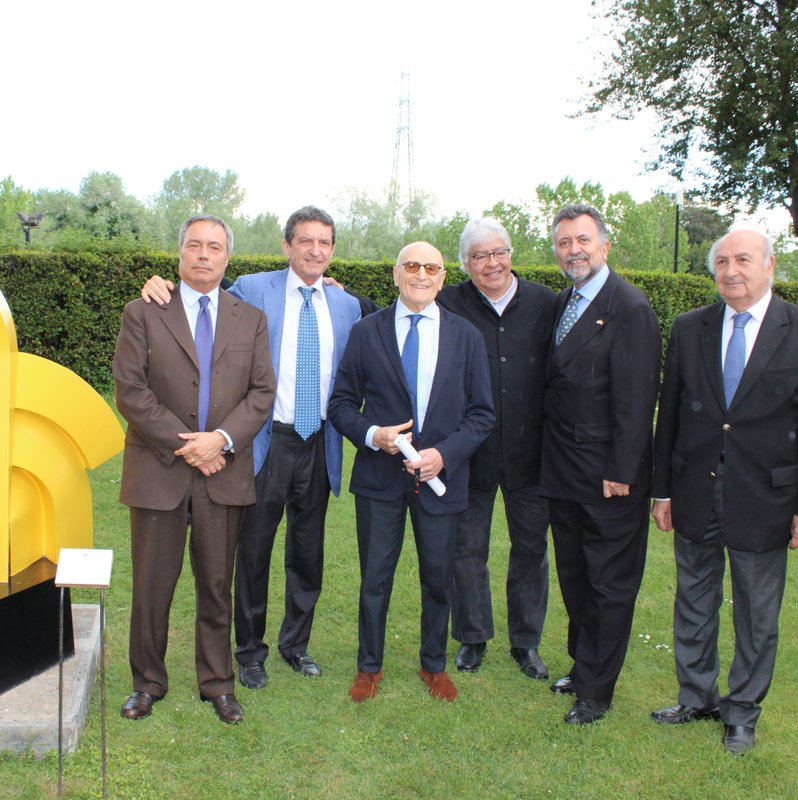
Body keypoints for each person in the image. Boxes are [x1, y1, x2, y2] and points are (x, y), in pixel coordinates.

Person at [141, 207, 362, 690]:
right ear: (287, 246)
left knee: (308, 553)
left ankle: (295, 645)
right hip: (265, 444)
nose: (315, 250)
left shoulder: (347, 307)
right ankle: (249, 651)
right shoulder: (252, 289)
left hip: (318, 442)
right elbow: (199, 297)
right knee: (253, 552)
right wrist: (156, 285)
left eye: (324, 242)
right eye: (305, 241)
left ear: (332, 250)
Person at [650, 229, 798, 754]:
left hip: (767, 499)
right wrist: (660, 491)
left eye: (743, 260)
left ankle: (742, 711)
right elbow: (670, 414)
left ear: (769, 265)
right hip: (694, 490)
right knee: (693, 599)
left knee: (756, 612)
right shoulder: (690, 328)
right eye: (722, 262)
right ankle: (696, 697)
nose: (732, 270)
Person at [113, 215, 275, 724]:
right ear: (180, 253)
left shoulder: (249, 319)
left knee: (215, 584)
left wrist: (220, 441)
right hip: (160, 469)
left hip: (223, 471)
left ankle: (217, 683)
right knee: (151, 586)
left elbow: (262, 393)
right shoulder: (143, 312)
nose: (204, 255)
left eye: (215, 247)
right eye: (195, 245)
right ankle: (147, 682)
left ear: (228, 257)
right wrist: (188, 446)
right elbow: (131, 391)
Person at [328, 241, 494, 703]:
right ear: (396, 275)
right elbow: (341, 404)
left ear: (443, 278)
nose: (422, 274)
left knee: (438, 577)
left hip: (441, 481)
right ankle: (369, 666)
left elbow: (482, 414)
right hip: (380, 479)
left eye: (432, 268)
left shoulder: (467, 336)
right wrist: (374, 434)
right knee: (375, 577)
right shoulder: (367, 332)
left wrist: (445, 455)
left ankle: (434, 664)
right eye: (412, 266)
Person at [539, 204, 661, 725]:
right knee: (576, 577)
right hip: (564, 471)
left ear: (605, 246)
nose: (574, 250)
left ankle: (597, 690)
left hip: (610, 476)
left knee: (610, 583)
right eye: (565, 242)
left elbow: (637, 400)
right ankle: (582, 665)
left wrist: (623, 470)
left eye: (583, 240)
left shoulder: (629, 307)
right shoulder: (565, 301)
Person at [435, 217, 555, 679]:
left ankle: (526, 643)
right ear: (465, 263)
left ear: (511, 254)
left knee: (531, 550)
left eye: (498, 252)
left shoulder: (545, 303)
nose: (491, 263)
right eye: (479, 256)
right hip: (468, 451)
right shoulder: (448, 304)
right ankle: (472, 637)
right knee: (466, 549)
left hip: (533, 450)